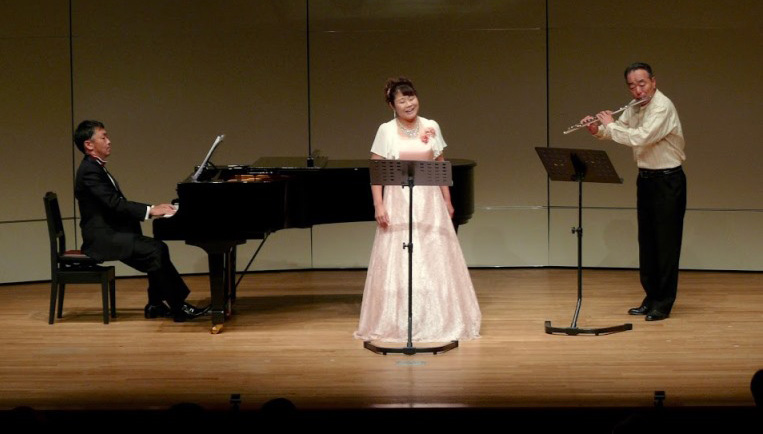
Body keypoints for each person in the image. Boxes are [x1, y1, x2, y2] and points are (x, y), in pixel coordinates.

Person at [354, 78, 481, 342]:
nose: (409, 104)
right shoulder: (386, 130)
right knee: (400, 257)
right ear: (392, 105)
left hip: (429, 201)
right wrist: (379, 204)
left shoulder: (431, 125)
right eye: (402, 100)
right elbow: (376, 169)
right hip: (398, 200)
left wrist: (447, 199)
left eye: (411, 98)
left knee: (434, 256)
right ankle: (398, 321)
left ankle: (439, 319)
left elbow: (440, 163)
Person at [73, 120, 209, 322]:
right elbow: (114, 203)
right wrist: (151, 210)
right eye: (104, 137)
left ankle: (155, 305)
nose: (109, 141)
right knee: (156, 250)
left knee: (155, 251)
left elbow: (115, 204)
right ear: (89, 145)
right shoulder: (89, 171)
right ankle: (178, 307)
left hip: (110, 233)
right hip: (102, 239)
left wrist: (151, 209)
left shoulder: (94, 167)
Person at [582, 62, 686, 321]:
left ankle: (663, 303)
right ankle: (651, 297)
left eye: (642, 84)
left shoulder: (662, 106)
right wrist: (598, 129)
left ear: (653, 82)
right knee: (648, 243)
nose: (638, 90)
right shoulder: (635, 106)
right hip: (646, 179)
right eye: (632, 86)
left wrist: (611, 125)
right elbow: (620, 131)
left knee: (666, 244)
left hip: (668, 180)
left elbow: (640, 137)